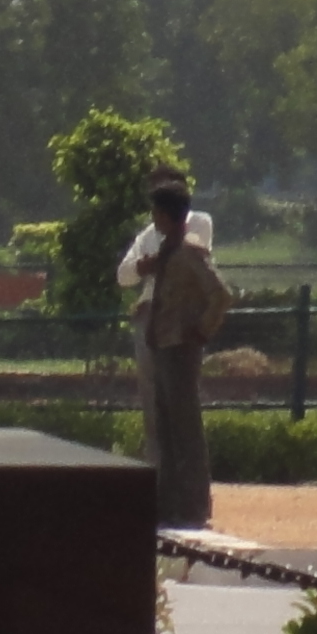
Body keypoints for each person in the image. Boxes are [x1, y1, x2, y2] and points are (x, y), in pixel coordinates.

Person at [120, 166, 221, 528]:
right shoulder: (159, 244)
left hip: (180, 339)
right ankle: (168, 502)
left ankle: (193, 506)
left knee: (184, 424)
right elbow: (126, 274)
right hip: (160, 335)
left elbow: (220, 294)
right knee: (162, 421)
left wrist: (201, 330)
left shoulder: (188, 247)